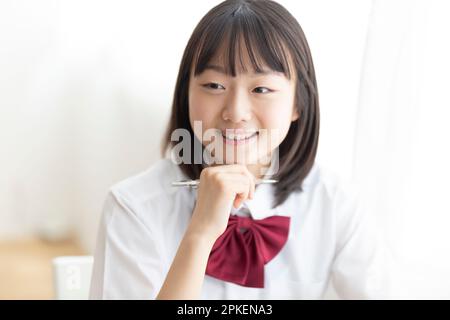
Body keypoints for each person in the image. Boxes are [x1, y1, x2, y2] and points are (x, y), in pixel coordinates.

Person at [89, 0, 388, 299]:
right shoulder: (133, 207)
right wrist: (200, 234)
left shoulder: (337, 205)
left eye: (261, 89)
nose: (235, 112)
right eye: (214, 86)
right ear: (186, 93)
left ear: (298, 103)